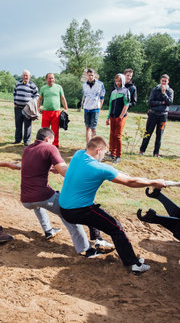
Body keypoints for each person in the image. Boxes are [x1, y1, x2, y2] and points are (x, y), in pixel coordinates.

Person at [59, 136, 167, 274]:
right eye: (104, 153)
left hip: (64, 208)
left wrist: (122, 173)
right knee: (116, 227)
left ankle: (97, 239)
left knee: (95, 211)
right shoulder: (100, 168)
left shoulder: (78, 154)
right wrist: (153, 182)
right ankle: (134, 264)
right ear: (98, 150)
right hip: (79, 211)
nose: (104, 157)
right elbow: (130, 182)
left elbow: (121, 175)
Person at [21, 127, 105, 257]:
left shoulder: (27, 149)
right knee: (67, 212)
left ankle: (48, 230)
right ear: (48, 139)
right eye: (52, 141)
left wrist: (50, 167)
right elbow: (66, 172)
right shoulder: (50, 148)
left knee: (37, 203)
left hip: (25, 199)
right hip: (43, 196)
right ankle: (87, 250)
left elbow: (36, 166)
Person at [139, 74, 174, 157]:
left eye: (165, 81)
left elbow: (169, 103)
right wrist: (161, 102)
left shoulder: (170, 91)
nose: (164, 82)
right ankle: (142, 150)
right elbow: (150, 102)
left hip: (163, 116)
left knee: (159, 135)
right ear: (160, 81)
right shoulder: (155, 89)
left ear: (168, 82)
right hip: (153, 114)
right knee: (147, 133)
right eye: (162, 81)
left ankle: (156, 153)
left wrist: (164, 94)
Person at [38, 73, 68, 148]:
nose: (51, 80)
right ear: (46, 79)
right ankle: (43, 144)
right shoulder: (43, 88)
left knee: (55, 130)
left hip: (56, 112)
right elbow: (40, 99)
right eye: (49, 78)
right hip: (45, 112)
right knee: (44, 130)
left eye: (52, 78)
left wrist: (66, 108)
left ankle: (55, 145)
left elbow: (62, 98)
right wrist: (38, 107)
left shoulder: (59, 87)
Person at [105, 73, 130, 163]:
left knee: (118, 135)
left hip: (120, 117)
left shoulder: (126, 91)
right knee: (112, 134)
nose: (117, 82)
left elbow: (126, 104)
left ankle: (118, 155)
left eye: (119, 81)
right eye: (116, 81)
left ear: (122, 81)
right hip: (112, 116)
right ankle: (112, 153)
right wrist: (108, 117)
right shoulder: (113, 92)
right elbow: (111, 106)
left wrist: (121, 116)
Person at [12, 70, 39, 145]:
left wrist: (32, 103)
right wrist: (15, 102)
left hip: (27, 108)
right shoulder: (18, 83)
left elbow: (37, 95)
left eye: (27, 75)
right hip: (18, 107)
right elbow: (14, 93)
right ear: (22, 76)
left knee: (27, 125)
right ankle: (17, 140)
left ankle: (26, 141)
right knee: (18, 124)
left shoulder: (32, 85)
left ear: (29, 76)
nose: (25, 77)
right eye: (24, 75)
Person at [81, 68, 105, 143]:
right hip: (87, 108)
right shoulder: (84, 85)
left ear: (94, 75)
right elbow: (84, 95)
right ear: (87, 75)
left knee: (93, 128)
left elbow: (102, 96)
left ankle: (93, 145)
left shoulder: (100, 84)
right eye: (89, 75)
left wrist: (100, 106)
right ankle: (88, 145)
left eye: (92, 75)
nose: (90, 77)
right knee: (87, 127)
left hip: (95, 108)